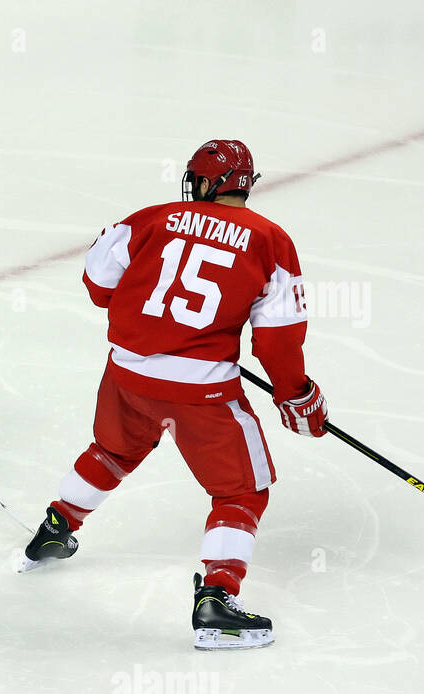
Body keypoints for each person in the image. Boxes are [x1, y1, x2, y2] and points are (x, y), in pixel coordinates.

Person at [20, 140, 327, 649]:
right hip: (200, 394)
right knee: (240, 492)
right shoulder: (270, 240)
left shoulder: (151, 219)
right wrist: (296, 395)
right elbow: (277, 338)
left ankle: (56, 528)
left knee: (112, 451)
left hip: (126, 376)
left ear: (206, 183)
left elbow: (98, 285)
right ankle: (217, 600)